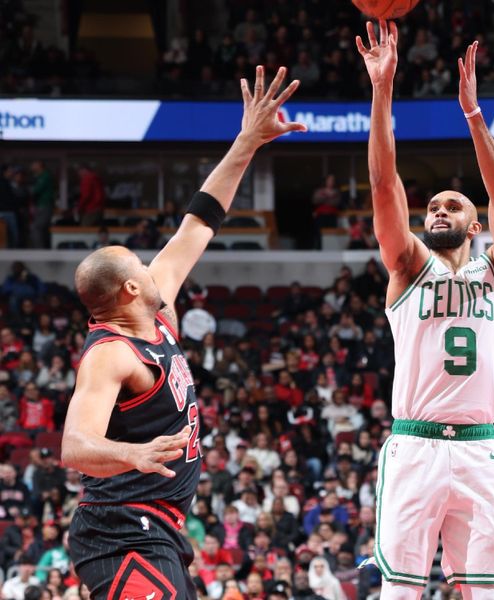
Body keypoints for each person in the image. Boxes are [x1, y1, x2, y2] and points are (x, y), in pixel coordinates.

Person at [61, 65, 306, 598]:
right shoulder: (111, 354)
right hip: (120, 528)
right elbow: (74, 446)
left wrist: (247, 141)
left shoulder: (155, 312)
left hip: (159, 528)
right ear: (129, 290)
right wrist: (134, 454)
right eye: (141, 267)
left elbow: (198, 222)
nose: (155, 267)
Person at [355, 21, 494, 597]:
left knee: (485, 592)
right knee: (400, 591)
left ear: (473, 225)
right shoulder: (406, 266)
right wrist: (383, 91)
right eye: (432, 206)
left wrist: (474, 116)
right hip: (416, 443)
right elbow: (383, 185)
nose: (439, 212)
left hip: (479, 445)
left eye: (453, 206)